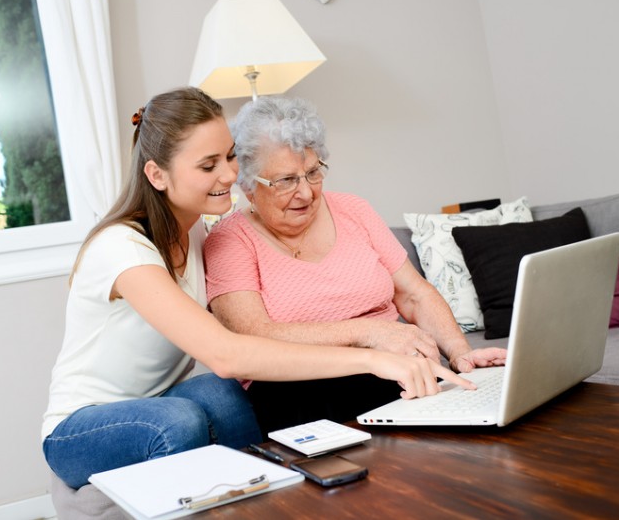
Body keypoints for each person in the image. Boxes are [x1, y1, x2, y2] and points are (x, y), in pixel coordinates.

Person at [42, 87, 475, 490]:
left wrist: (448, 351)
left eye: (230, 157)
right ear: (156, 174)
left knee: (227, 398)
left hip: (159, 396)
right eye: (208, 165)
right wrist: (373, 351)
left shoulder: (192, 233)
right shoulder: (123, 249)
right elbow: (229, 351)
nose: (230, 174)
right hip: (83, 425)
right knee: (178, 422)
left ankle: (275, 495)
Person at [204, 95, 506, 434]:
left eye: (314, 173)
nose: (306, 193)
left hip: (396, 371)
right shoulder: (230, 239)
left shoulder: (354, 210)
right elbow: (255, 334)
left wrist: (461, 354)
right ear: (247, 185)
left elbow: (414, 294)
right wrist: (371, 334)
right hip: (300, 388)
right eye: (286, 181)